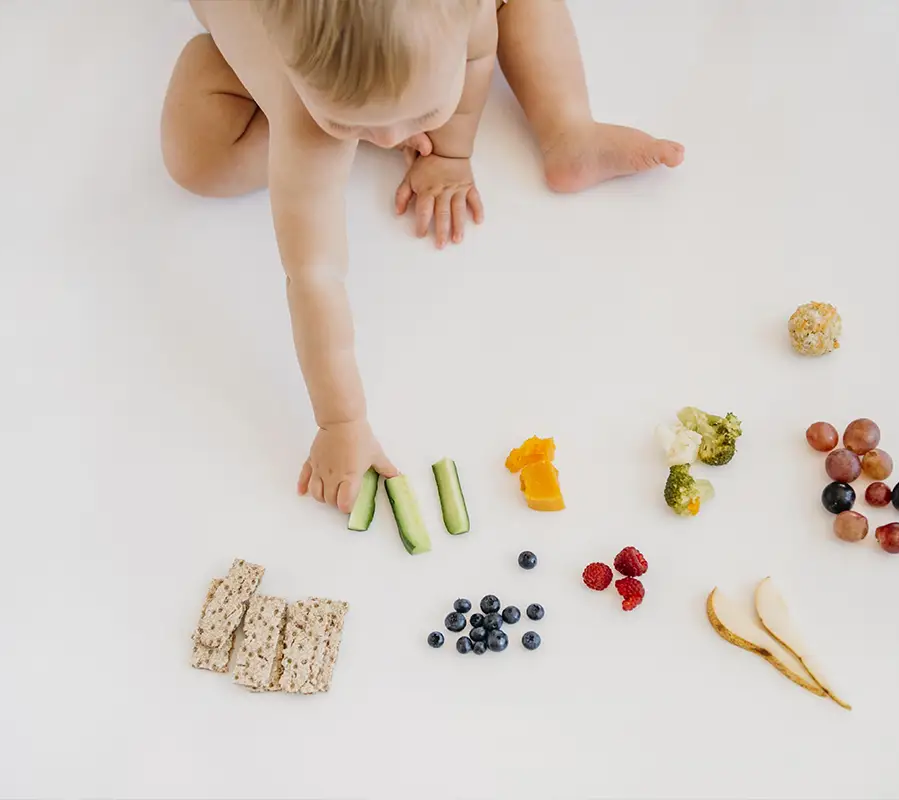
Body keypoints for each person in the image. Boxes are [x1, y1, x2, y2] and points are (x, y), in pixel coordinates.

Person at [160, 0, 684, 513]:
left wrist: (452, 151)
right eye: (354, 122)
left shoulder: (468, 14)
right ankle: (339, 101)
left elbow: (477, 56)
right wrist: (341, 422)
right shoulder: (304, 117)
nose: (393, 139)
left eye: (420, 114)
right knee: (197, 161)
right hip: (262, 62)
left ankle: (569, 128)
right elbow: (313, 274)